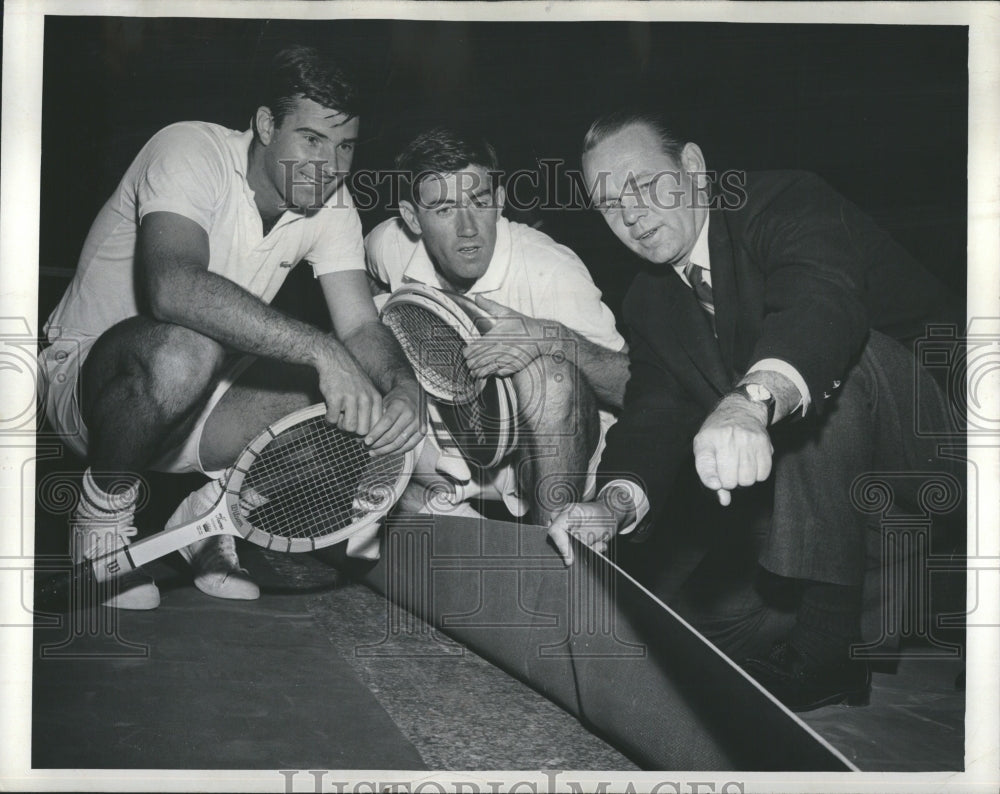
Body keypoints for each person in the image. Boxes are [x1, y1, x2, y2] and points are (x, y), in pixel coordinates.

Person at [547, 111, 963, 711]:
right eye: (609, 205)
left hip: (942, 444)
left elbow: (820, 306)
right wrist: (609, 506)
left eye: (641, 185)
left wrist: (750, 402)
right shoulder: (651, 299)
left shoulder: (784, 202)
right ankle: (833, 618)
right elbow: (655, 415)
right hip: (826, 498)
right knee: (675, 650)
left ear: (691, 167)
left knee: (842, 363)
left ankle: (829, 654)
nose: (630, 215)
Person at [38, 46, 422, 609]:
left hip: (200, 406)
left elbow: (362, 326)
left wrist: (402, 385)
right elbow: (172, 287)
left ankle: (208, 515)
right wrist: (321, 349)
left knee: (348, 411)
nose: (331, 166)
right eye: (312, 139)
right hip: (92, 389)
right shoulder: (189, 149)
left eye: (345, 147)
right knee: (186, 348)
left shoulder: (333, 204)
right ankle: (101, 513)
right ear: (267, 125)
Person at [364, 127, 629, 526]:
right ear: (411, 218)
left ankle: (552, 540)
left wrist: (550, 336)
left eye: (479, 202)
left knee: (552, 377)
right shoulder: (389, 243)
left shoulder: (552, 269)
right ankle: (424, 488)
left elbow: (634, 388)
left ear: (500, 201)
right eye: (444, 210)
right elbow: (356, 295)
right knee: (367, 324)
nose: (468, 228)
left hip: (547, 451)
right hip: (456, 438)